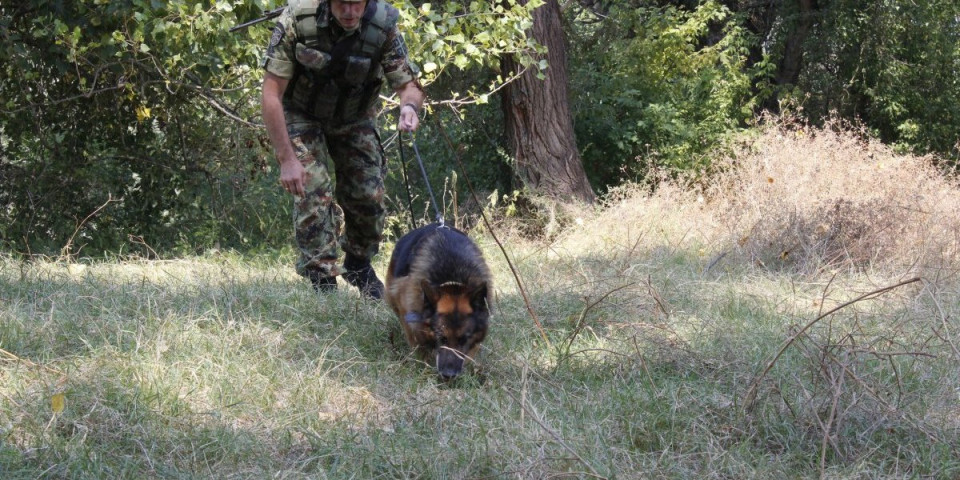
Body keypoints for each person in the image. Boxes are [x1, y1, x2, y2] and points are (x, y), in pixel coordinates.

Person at [261, 0, 425, 299]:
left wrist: (409, 108)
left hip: (354, 116)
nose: (350, 12)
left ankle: (358, 263)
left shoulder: (382, 23)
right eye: (342, 4)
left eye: (357, 4)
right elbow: (271, 94)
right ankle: (322, 279)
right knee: (312, 188)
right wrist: (287, 159)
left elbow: (407, 84)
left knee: (368, 193)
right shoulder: (298, 20)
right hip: (301, 113)